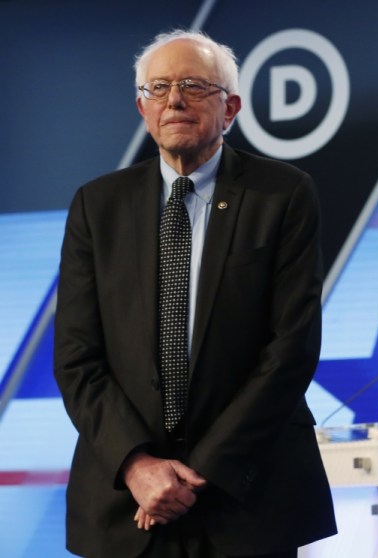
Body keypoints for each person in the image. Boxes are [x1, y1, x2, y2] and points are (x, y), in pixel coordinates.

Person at [54, 30, 336, 558]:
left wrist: (199, 472)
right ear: (142, 107)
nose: (174, 99)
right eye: (158, 88)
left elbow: (291, 349)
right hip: (126, 504)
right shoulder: (97, 206)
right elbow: (76, 357)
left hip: (248, 496)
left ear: (230, 108)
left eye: (193, 86)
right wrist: (137, 466)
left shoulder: (284, 194)